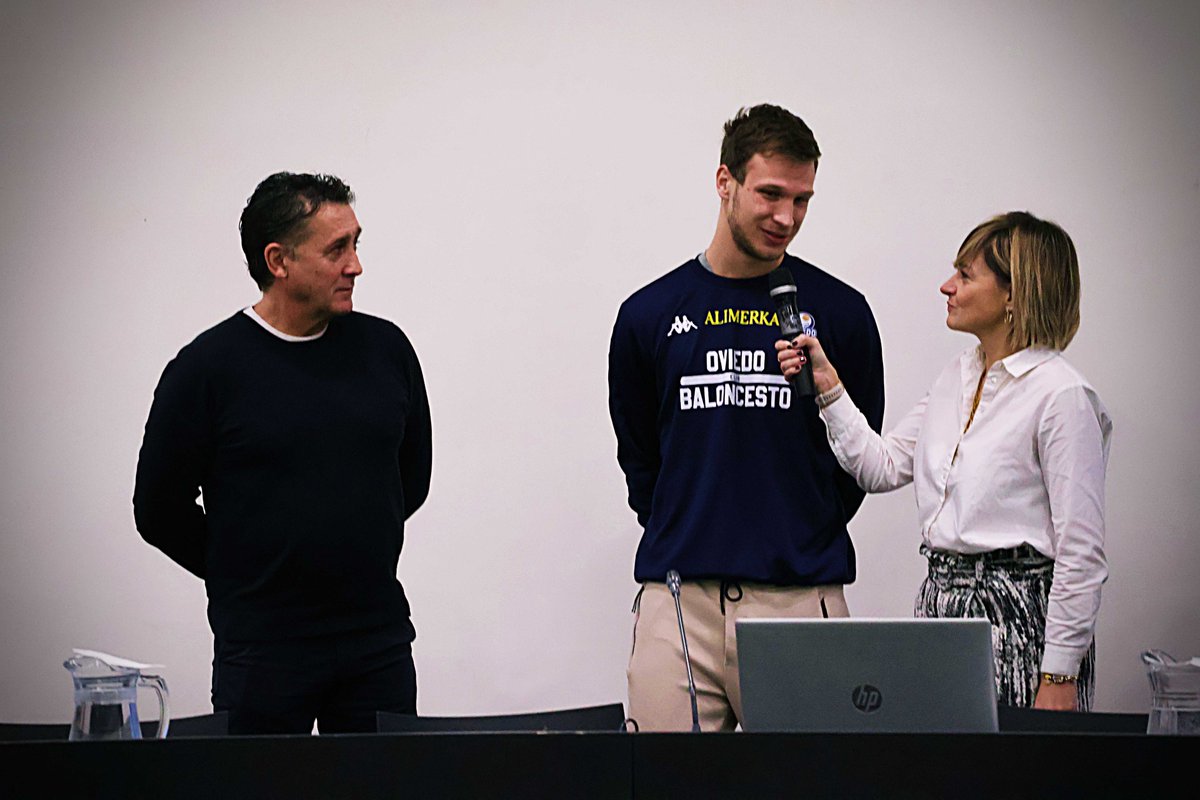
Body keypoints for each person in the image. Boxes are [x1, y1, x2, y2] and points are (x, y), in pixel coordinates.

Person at [608, 104, 885, 731]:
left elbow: (854, 459)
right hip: (680, 602)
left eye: (802, 199)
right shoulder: (648, 314)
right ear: (724, 181)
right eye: (769, 193)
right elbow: (642, 461)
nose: (786, 217)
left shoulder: (840, 313)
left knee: (806, 786)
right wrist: (700, 526)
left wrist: (790, 531)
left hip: (798, 595)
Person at [133, 172, 433, 734]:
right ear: (279, 260)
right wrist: (246, 568)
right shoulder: (207, 370)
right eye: (336, 249)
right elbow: (157, 510)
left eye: (356, 243)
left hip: (377, 642)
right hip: (262, 652)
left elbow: (409, 480)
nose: (355, 265)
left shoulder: (386, 350)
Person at [777, 211, 1110, 710]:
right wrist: (828, 385)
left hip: (1019, 620)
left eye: (965, 275)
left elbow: (1081, 553)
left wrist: (1059, 674)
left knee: (1018, 781)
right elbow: (881, 467)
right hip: (941, 610)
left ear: (1015, 295)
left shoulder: (1061, 396)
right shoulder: (957, 376)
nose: (946, 286)